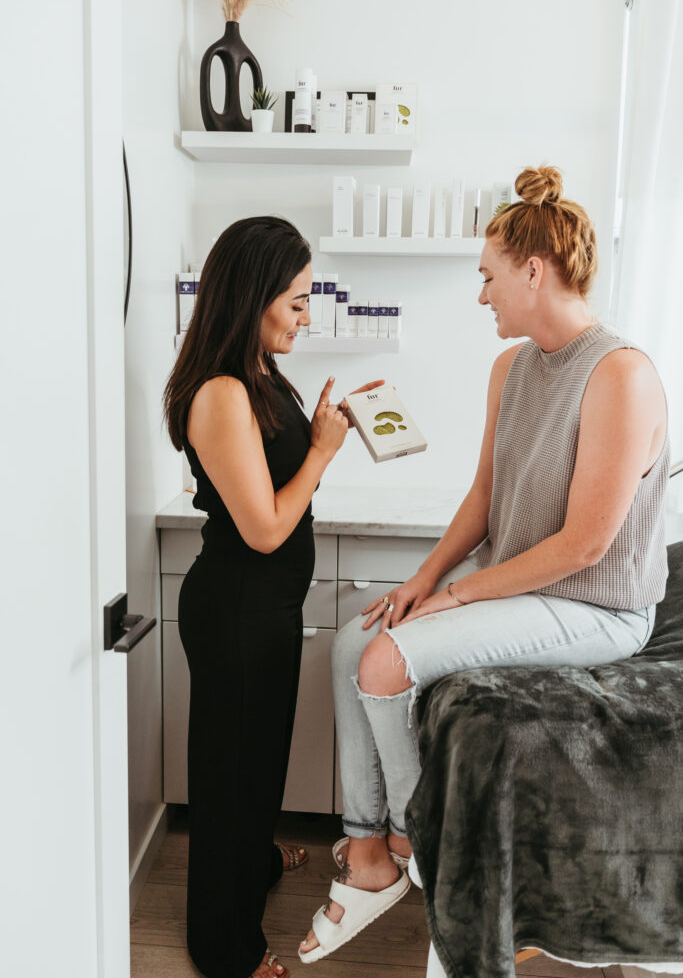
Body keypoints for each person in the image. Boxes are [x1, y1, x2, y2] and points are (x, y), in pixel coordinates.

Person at [298, 165, 671, 964]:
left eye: (487, 277)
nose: (480, 296)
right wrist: (425, 582)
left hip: (597, 607)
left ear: (533, 271)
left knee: (387, 662)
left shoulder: (621, 374)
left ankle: (414, 846)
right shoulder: (510, 370)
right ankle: (366, 852)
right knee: (350, 643)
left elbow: (583, 547)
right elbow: (482, 498)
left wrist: (461, 596)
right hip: (530, 589)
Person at [163, 216, 381, 978]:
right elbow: (262, 529)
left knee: (254, 759)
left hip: (263, 609)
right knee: (231, 773)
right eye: (293, 301)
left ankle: (250, 862)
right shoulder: (222, 391)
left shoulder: (255, 372)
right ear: (252, 297)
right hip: (237, 609)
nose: (304, 315)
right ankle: (224, 949)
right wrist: (321, 452)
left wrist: (317, 433)